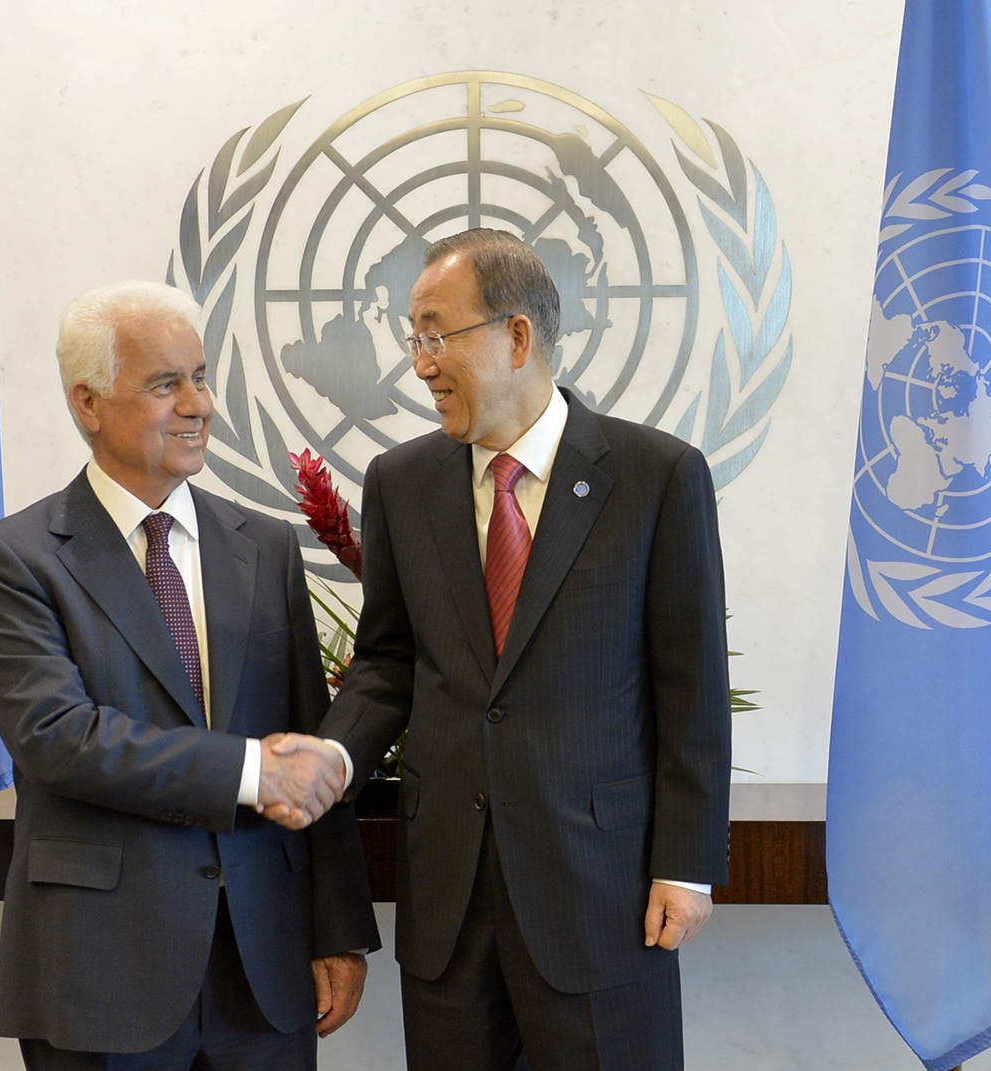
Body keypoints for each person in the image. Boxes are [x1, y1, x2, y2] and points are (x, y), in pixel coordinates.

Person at [268, 229, 731, 1071]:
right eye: (414, 339)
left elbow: (690, 686)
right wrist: (334, 755)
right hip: (449, 901)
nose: (420, 365)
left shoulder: (656, 475)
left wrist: (687, 866)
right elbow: (388, 663)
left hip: (602, 895)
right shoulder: (402, 482)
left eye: (436, 336)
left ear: (517, 336)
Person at [0, 280, 379, 1071]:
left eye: (202, 377)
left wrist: (338, 928)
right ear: (88, 402)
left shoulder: (265, 546)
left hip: (264, 967)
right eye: (165, 383)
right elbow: (60, 739)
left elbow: (309, 736)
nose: (199, 405)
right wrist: (253, 770)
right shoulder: (12, 559)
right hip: (101, 970)